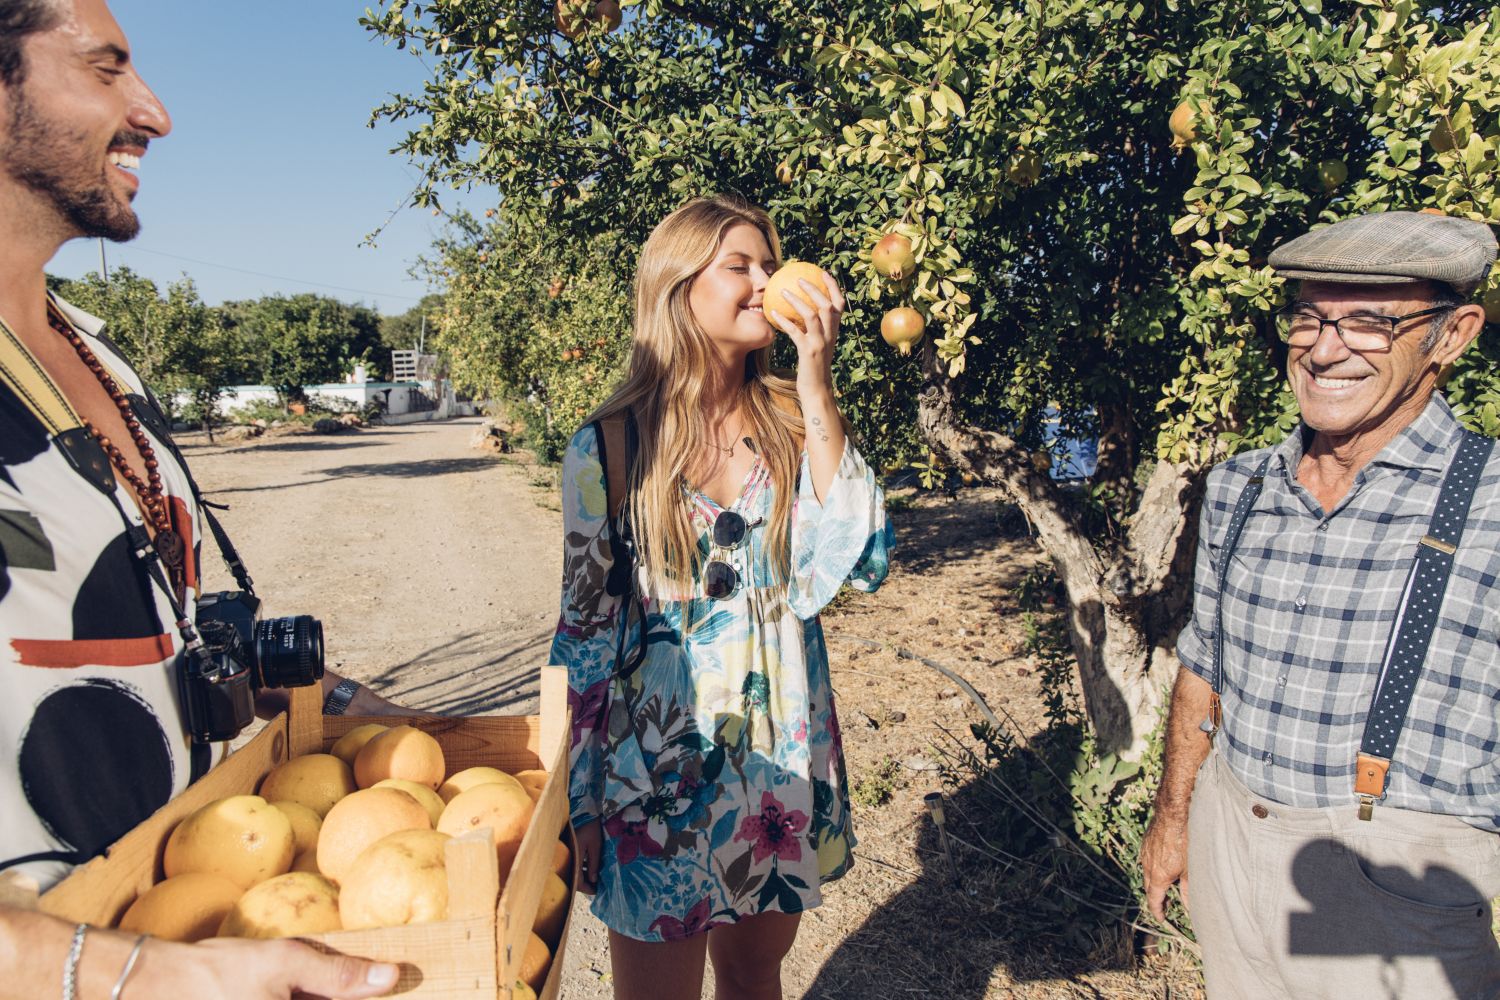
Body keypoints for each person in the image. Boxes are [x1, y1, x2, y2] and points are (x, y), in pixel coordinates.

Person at [0, 1, 404, 995]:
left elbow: (165, 653)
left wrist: (385, 722)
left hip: (197, 919)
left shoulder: (99, 361)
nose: (157, 112)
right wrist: (135, 974)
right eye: (105, 69)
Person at [1139, 210, 1500, 998]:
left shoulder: (1491, 502)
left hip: (1402, 889)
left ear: (1452, 334)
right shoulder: (1242, 485)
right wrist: (1174, 821)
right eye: (1309, 317)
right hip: (1232, 843)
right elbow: (1206, 669)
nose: (1326, 348)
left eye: (1370, 322)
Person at [552, 195, 893, 999]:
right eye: (739, 265)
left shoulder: (791, 421)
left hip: (773, 753)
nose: (765, 281)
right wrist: (581, 798)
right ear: (679, 286)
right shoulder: (609, 445)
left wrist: (817, 381)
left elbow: (863, 558)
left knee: (752, 979)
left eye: (769, 265)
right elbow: (587, 634)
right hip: (655, 765)